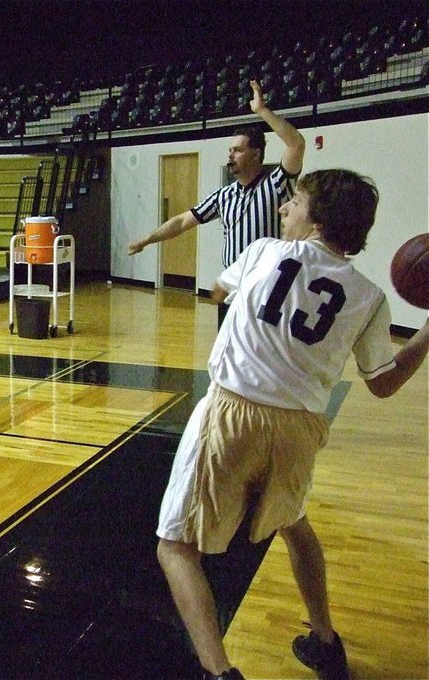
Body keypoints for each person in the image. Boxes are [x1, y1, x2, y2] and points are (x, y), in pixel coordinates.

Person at [154, 169, 429, 680]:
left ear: (316, 217)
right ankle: (325, 642)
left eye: (294, 202)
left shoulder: (261, 252)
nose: (283, 210)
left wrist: (225, 294)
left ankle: (220, 674)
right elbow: (384, 383)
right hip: (300, 431)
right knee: (294, 525)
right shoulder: (370, 298)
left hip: (233, 415)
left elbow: (217, 291)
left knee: (175, 548)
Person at [128, 80, 306, 326]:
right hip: (231, 289)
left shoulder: (276, 183)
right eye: (229, 150)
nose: (230, 155)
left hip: (266, 290)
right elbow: (181, 222)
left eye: (237, 150)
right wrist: (146, 240)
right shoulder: (224, 196)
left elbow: (296, 143)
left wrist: (262, 111)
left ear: (256, 154)